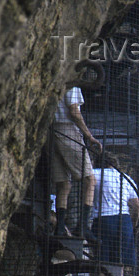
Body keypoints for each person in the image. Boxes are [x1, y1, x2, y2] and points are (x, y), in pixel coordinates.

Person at [51, 86, 102, 240]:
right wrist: (89, 136)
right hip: (67, 129)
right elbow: (74, 111)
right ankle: (84, 227)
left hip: (51, 131)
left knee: (64, 184)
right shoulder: (71, 84)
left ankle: (60, 228)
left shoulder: (54, 83)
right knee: (89, 180)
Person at [92, 159, 139, 276]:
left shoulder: (96, 173)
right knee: (118, 264)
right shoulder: (126, 178)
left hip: (104, 220)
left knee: (102, 265)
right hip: (124, 222)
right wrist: (133, 224)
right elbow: (136, 205)